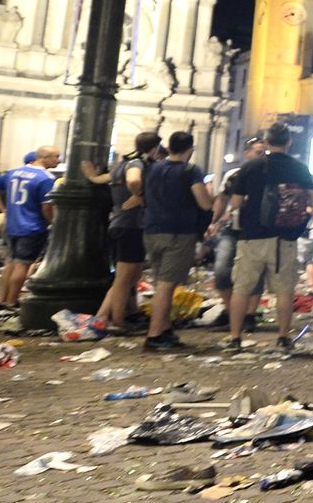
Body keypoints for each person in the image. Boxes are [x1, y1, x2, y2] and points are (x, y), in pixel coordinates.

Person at [223, 123, 313, 350]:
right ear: (289, 142)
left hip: (252, 235)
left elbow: (234, 203)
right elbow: (311, 201)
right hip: (285, 238)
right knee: (284, 290)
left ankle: (235, 338)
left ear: (266, 141)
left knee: (242, 288)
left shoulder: (251, 167)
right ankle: (283, 337)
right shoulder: (300, 168)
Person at [141, 131, 213, 352]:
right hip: (178, 232)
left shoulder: (154, 168)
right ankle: (154, 335)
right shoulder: (191, 171)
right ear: (190, 149)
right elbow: (204, 203)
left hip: (152, 230)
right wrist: (213, 197)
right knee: (166, 285)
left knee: (160, 282)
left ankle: (164, 329)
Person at [91, 132, 161, 331]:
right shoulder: (136, 164)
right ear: (154, 148)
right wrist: (138, 195)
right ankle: (118, 321)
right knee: (124, 278)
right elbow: (133, 180)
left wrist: (91, 176)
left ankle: (107, 315)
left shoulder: (122, 163)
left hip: (121, 225)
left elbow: (102, 179)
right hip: (130, 226)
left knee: (129, 277)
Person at [0, 145, 60, 310]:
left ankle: (2, 299)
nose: (58, 160)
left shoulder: (13, 172)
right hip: (32, 226)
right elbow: (47, 207)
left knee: (10, 263)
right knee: (23, 265)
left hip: (12, 224)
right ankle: (12, 301)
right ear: (45, 157)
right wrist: (52, 222)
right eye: (56, 156)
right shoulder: (45, 178)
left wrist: (3, 209)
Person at [209, 136, 265, 329]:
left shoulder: (269, 175)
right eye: (258, 152)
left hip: (257, 230)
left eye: (264, 152)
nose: (262, 156)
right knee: (221, 271)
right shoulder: (233, 174)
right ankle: (231, 311)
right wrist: (214, 221)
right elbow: (222, 198)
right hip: (232, 229)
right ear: (247, 153)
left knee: (254, 274)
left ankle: (248, 315)